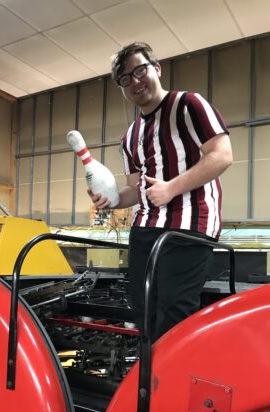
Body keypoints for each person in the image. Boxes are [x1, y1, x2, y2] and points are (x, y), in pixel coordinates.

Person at [89, 42, 233, 340]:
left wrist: (171, 188)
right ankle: (152, 378)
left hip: (188, 226)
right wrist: (111, 200)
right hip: (145, 228)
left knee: (173, 312)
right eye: (125, 79)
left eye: (139, 70)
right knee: (143, 308)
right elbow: (134, 189)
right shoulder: (130, 136)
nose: (135, 82)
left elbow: (221, 155)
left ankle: (172, 381)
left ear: (156, 68)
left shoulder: (188, 104)